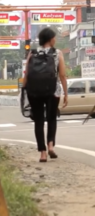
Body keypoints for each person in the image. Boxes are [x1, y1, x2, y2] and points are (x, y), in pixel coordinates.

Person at [22, 27, 68, 163]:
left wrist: (25, 90)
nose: (55, 39)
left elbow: (27, 73)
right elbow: (63, 75)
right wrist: (66, 93)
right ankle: (51, 145)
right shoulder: (57, 53)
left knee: (39, 121)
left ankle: (42, 153)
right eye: (54, 37)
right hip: (52, 90)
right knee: (52, 118)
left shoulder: (32, 52)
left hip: (34, 91)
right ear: (50, 39)